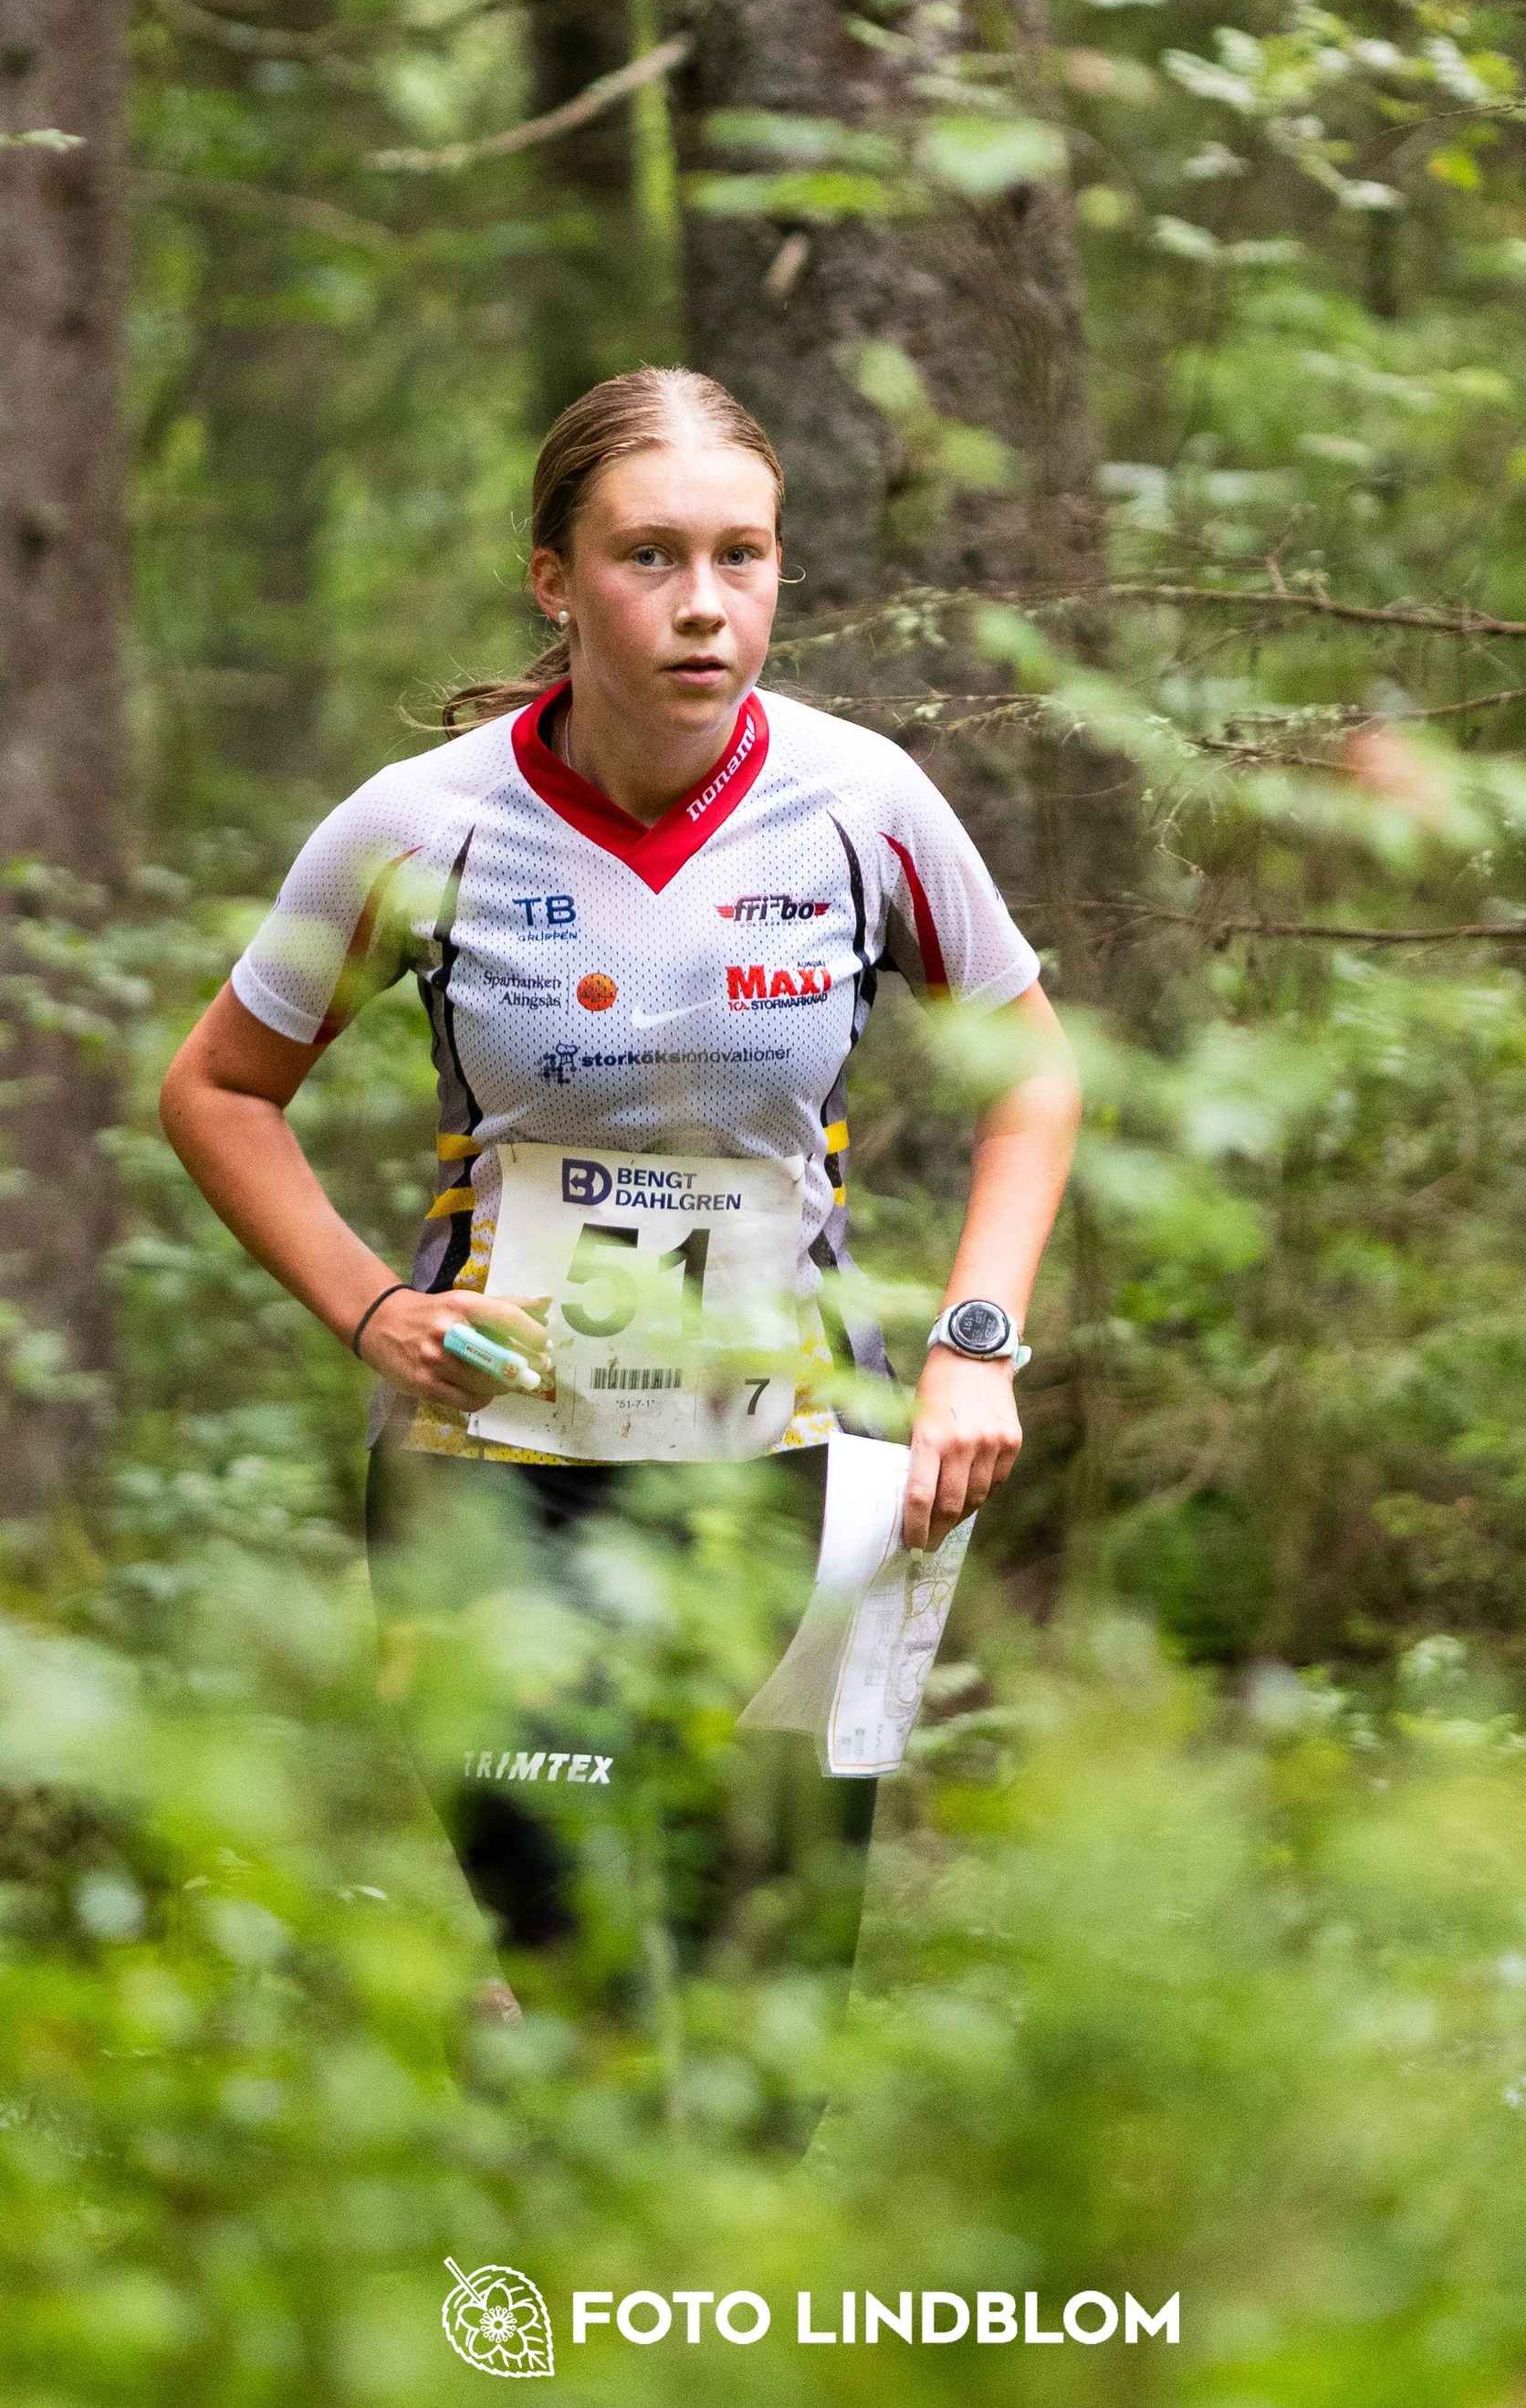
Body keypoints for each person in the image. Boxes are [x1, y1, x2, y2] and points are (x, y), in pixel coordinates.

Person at [160, 367, 1080, 2120]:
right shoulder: (422, 824)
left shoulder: (862, 801)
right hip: (497, 1469)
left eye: (744, 555)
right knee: (581, 1964)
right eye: (650, 555)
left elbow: (1033, 1074)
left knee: (769, 2013)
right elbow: (217, 1091)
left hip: (799, 1460)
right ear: (553, 579)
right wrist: (370, 1311)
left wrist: (974, 1339)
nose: (705, 603)